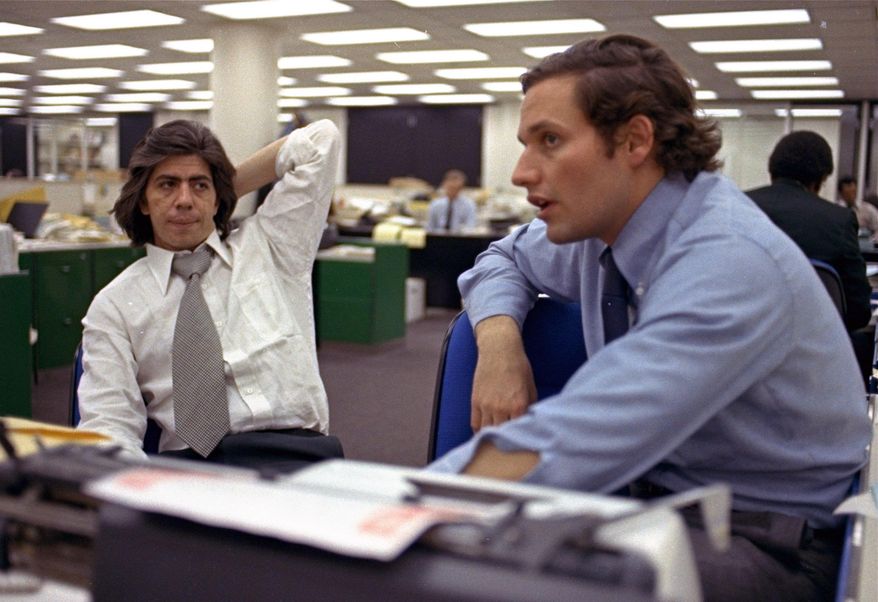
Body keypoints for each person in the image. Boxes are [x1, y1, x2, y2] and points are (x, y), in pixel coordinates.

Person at [427, 34, 870, 601]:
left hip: (763, 539)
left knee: (491, 577)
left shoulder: (727, 260)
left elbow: (580, 436)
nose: (521, 172)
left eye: (550, 141)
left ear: (635, 140)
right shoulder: (597, 233)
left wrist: (398, 510)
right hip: (653, 502)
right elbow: (502, 256)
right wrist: (498, 342)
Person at [77, 118, 343, 472]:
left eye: (199, 185)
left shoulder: (272, 246)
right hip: (191, 470)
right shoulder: (114, 305)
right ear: (143, 200)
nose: (184, 200)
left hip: (298, 459)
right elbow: (108, 425)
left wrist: (223, 188)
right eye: (167, 185)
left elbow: (321, 140)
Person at [746, 131, 872, 332]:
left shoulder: (734, 206)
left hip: (736, 347)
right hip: (812, 351)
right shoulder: (839, 219)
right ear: (820, 179)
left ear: (772, 171)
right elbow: (858, 312)